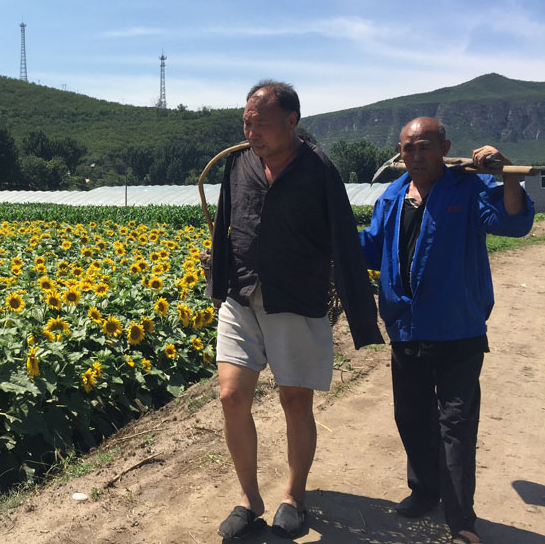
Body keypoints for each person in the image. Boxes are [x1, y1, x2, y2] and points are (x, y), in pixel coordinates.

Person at [205, 80, 384, 540]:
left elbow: (343, 238)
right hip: (241, 295)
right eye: (247, 123)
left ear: (291, 121)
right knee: (230, 397)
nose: (252, 132)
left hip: (297, 300)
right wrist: (217, 274)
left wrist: (360, 313)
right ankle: (249, 499)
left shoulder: (318, 169)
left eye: (261, 123)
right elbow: (226, 222)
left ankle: (294, 496)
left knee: (295, 401)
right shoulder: (239, 164)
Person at [359, 117, 534, 544]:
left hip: (457, 328)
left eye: (424, 147)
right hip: (406, 325)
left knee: (455, 424)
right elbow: (372, 246)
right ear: (400, 151)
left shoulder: (469, 187)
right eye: (408, 149)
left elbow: (513, 223)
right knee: (412, 416)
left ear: (444, 147)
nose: (415, 156)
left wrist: (505, 173)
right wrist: (323, 236)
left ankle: (461, 521)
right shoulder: (395, 195)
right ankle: (424, 491)